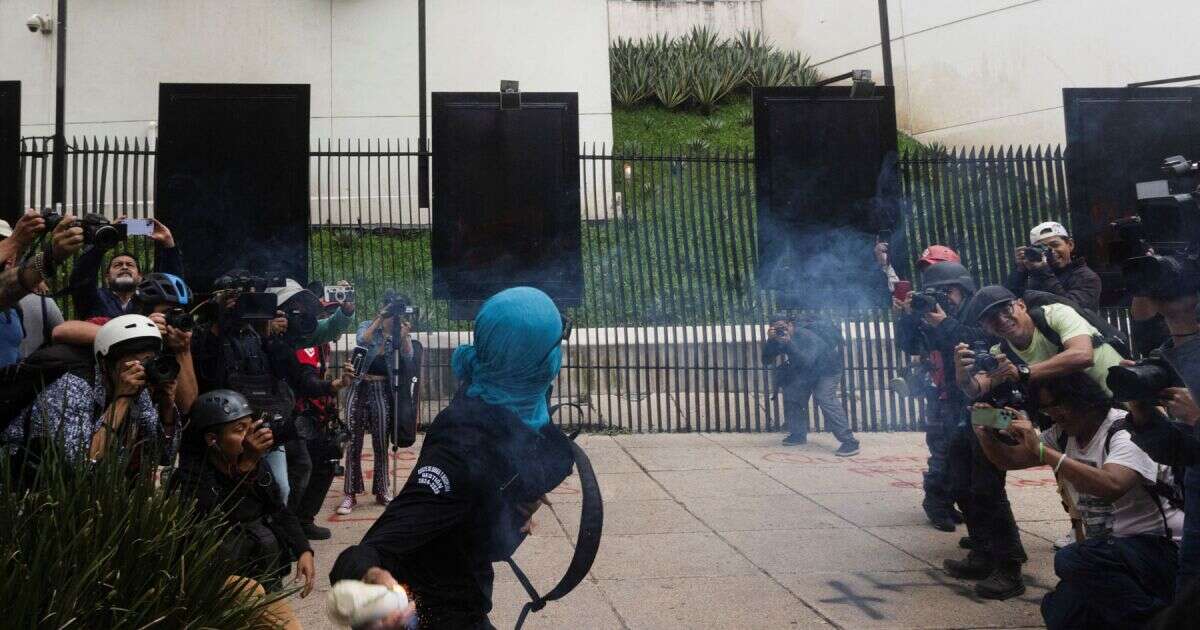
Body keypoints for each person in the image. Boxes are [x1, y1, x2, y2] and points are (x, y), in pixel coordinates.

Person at [329, 287, 574, 628]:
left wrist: (507, 511)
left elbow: (484, 536)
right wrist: (367, 575)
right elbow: (385, 540)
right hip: (438, 617)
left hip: (466, 591)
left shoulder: (496, 404)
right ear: (535, 365)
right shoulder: (461, 446)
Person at [974, 373, 1183, 629]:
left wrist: (1042, 450)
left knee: (1072, 559)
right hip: (1110, 554)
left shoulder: (1124, 431)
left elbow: (1112, 485)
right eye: (1046, 409)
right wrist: (986, 434)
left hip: (1159, 549)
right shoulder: (1063, 434)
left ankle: (1159, 620)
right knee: (1059, 611)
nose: (1055, 415)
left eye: (1059, 405)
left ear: (1086, 399)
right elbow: (1011, 459)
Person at [191, 272, 352, 505]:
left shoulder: (271, 338)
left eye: (254, 301)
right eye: (242, 301)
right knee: (229, 489)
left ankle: (282, 529)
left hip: (269, 423)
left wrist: (333, 385)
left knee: (281, 488)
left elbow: (296, 373)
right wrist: (221, 319)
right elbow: (208, 370)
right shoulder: (209, 334)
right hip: (227, 429)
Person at [170, 389, 315, 600]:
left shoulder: (257, 464)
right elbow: (212, 518)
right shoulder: (190, 476)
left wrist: (304, 549)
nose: (250, 436)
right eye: (240, 430)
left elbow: (278, 509)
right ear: (212, 439)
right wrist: (246, 465)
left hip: (264, 568)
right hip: (221, 581)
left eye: (251, 426)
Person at [5, 315, 180, 470]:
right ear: (106, 364)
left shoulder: (136, 388)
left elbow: (164, 456)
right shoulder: (72, 386)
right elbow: (78, 464)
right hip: (23, 481)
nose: (142, 368)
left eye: (149, 360)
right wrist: (121, 400)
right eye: (135, 361)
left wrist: (167, 407)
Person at [894, 260, 977, 531]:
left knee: (973, 457)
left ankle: (960, 503)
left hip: (974, 395)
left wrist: (946, 324)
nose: (943, 298)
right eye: (937, 292)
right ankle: (937, 504)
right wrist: (907, 317)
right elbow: (908, 346)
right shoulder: (928, 317)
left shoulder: (975, 312)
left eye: (948, 292)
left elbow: (978, 341)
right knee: (942, 452)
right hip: (942, 396)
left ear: (963, 290)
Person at [51, 272, 199, 415]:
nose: (176, 320)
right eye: (169, 313)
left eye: (180, 314)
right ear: (144, 310)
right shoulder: (120, 323)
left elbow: (187, 406)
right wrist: (140, 330)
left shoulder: (181, 343)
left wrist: (182, 351)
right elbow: (60, 331)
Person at [337, 298, 419, 515]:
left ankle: (382, 489)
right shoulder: (368, 325)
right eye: (390, 314)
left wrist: (403, 336)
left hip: (382, 390)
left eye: (394, 315)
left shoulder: (398, 332)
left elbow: (409, 356)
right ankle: (350, 494)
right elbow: (362, 343)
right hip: (360, 385)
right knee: (353, 441)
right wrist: (380, 319)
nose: (393, 319)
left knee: (381, 441)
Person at [762, 313, 860, 456]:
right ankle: (798, 434)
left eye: (783, 327)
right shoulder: (778, 338)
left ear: (790, 325)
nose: (781, 331)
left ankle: (849, 442)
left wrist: (789, 343)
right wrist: (771, 342)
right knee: (792, 394)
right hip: (806, 372)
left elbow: (807, 361)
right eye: (776, 328)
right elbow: (766, 361)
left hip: (827, 370)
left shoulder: (805, 335)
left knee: (824, 398)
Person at [69, 217, 183, 319]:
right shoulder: (94, 299)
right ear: (107, 277)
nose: (124, 267)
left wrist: (168, 243)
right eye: (117, 265)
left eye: (130, 265)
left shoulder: (149, 302)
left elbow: (170, 287)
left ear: (140, 276)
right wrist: (105, 239)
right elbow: (82, 277)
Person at [1005, 221, 1102, 313]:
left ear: (1070, 245)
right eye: (1042, 248)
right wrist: (1020, 271)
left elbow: (1071, 311)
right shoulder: (1033, 275)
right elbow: (1007, 304)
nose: (1050, 251)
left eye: (1055, 245)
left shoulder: (1087, 277)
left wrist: (1044, 273)